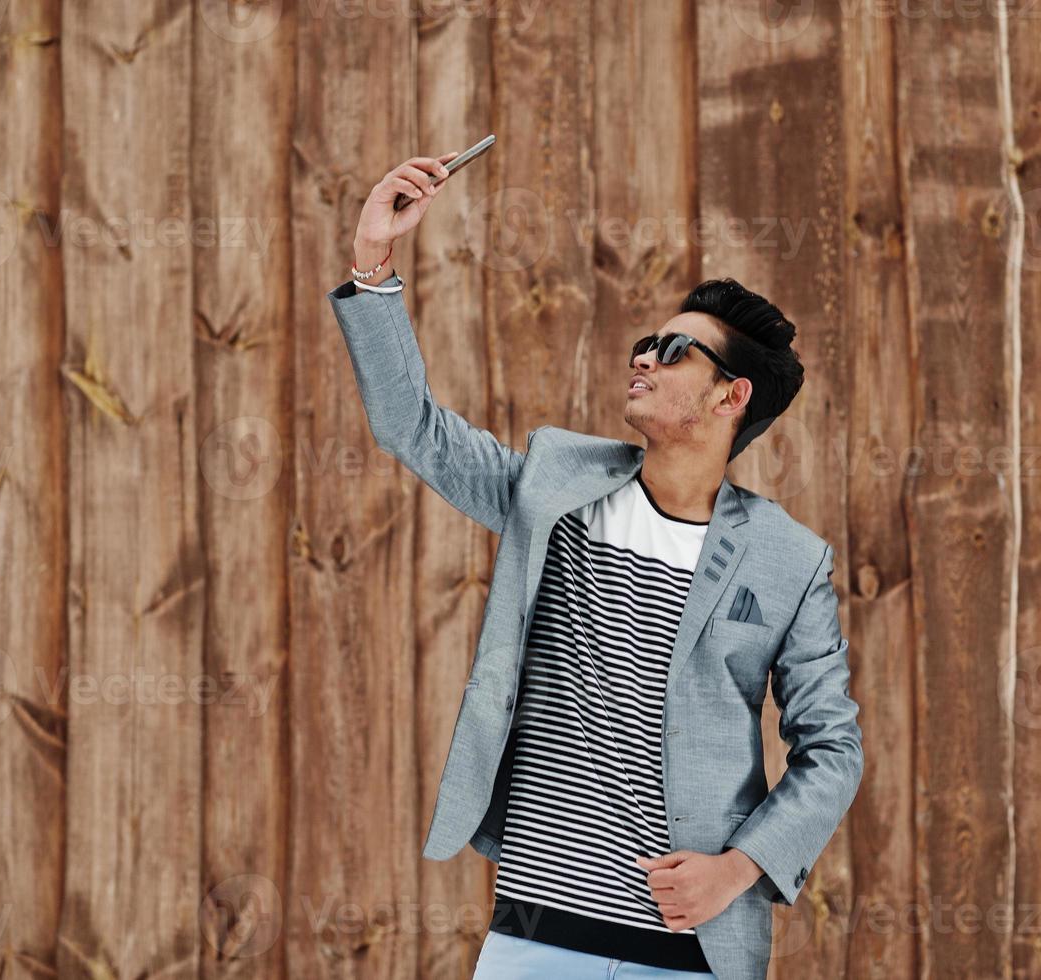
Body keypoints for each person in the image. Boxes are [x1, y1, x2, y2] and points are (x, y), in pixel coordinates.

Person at [327, 154, 863, 980]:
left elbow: (831, 747)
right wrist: (374, 263)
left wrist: (739, 867)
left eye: (675, 350)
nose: (643, 357)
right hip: (532, 941)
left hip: (695, 953)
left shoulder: (788, 559)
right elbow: (414, 429)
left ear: (731, 397)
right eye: (647, 342)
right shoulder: (555, 484)